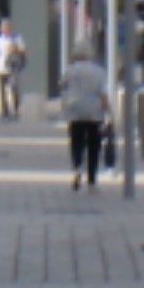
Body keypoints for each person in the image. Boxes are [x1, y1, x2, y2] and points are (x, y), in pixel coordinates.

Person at [58, 44, 110, 191]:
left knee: (76, 140)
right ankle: (92, 177)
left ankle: (77, 167)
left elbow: (62, 86)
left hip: (75, 108)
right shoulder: (99, 71)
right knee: (94, 144)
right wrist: (107, 110)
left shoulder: (70, 70)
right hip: (94, 109)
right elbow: (103, 92)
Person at [0, 20, 24, 121]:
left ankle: (16, 110)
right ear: (0, 29)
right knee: (2, 91)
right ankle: (5, 112)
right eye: (3, 28)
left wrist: (14, 49)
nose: (5, 29)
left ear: (10, 28)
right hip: (1, 68)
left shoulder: (17, 38)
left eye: (7, 27)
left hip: (12, 68)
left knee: (14, 89)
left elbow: (24, 50)